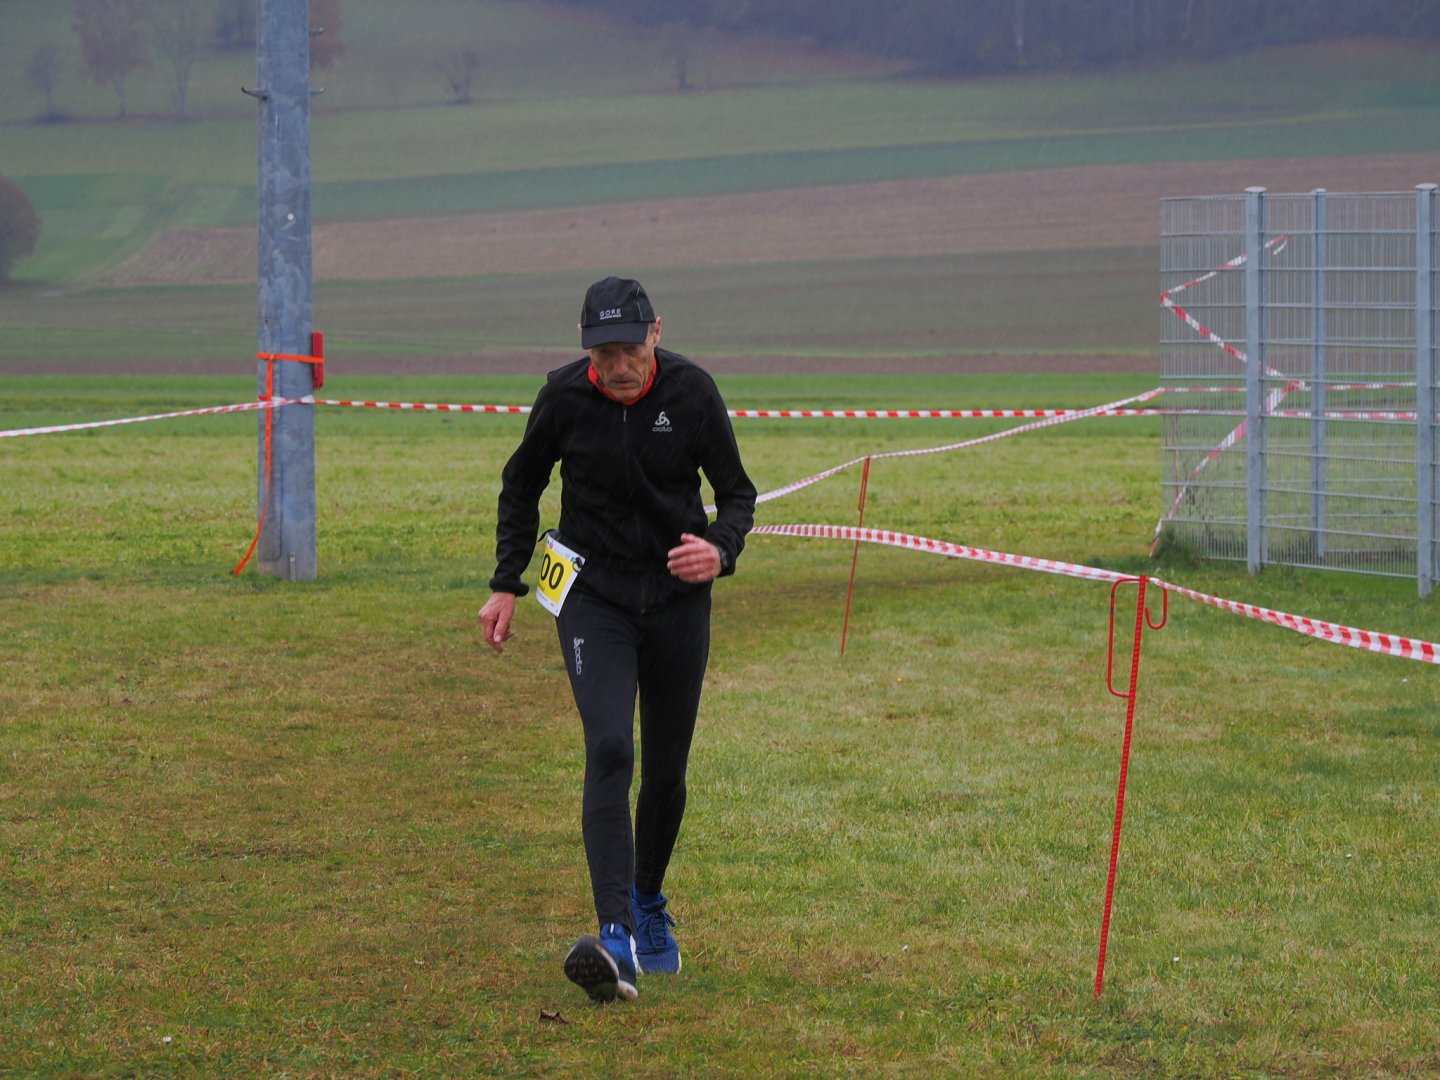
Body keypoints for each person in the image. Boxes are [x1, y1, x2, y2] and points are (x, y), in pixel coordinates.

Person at [477, 276, 756, 1003]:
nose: (619, 367)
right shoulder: (563, 397)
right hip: (591, 594)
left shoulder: (693, 393)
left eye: (631, 349)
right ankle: (615, 937)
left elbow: (738, 495)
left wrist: (719, 550)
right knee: (609, 747)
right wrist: (506, 583)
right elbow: (521, 484)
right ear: (586, 349)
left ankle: (648, 899)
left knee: (664, 772)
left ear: (656, 333)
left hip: (675, 598)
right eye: (604, 354)